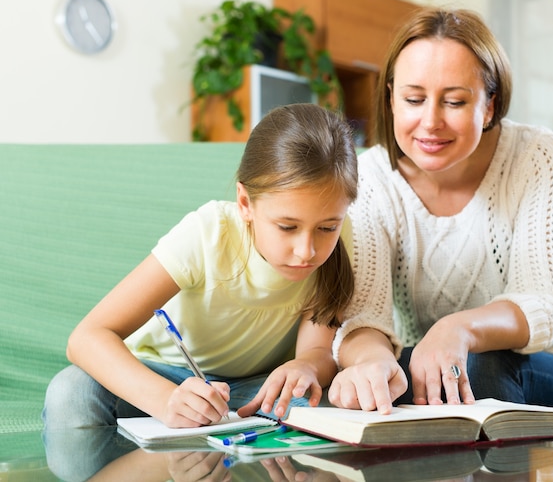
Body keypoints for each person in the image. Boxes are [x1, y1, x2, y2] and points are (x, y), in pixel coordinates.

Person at [327, 6, 553, 414]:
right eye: (414, 99)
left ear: (489, 105)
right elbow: (365, 317)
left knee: (480, 368)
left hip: (545, 363)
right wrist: (372, 363)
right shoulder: (371, 177)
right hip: (429, 360)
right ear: (392, 100)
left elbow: (542, 304)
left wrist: (458, 328)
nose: (430, 121)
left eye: (454, 101)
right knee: (370, 382)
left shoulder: (536, 155)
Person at [43, 103, 357, 430]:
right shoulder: (209, 233)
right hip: (165, 376)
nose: (307, 251)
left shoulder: (340, 231)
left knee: (335, 404)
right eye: (287, 227)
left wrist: (306, 366)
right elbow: (87, 337)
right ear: (246, 203)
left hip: (256, 387)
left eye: (326, 228)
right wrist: (166, 399)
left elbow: (319, 349)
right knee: (71, 394)